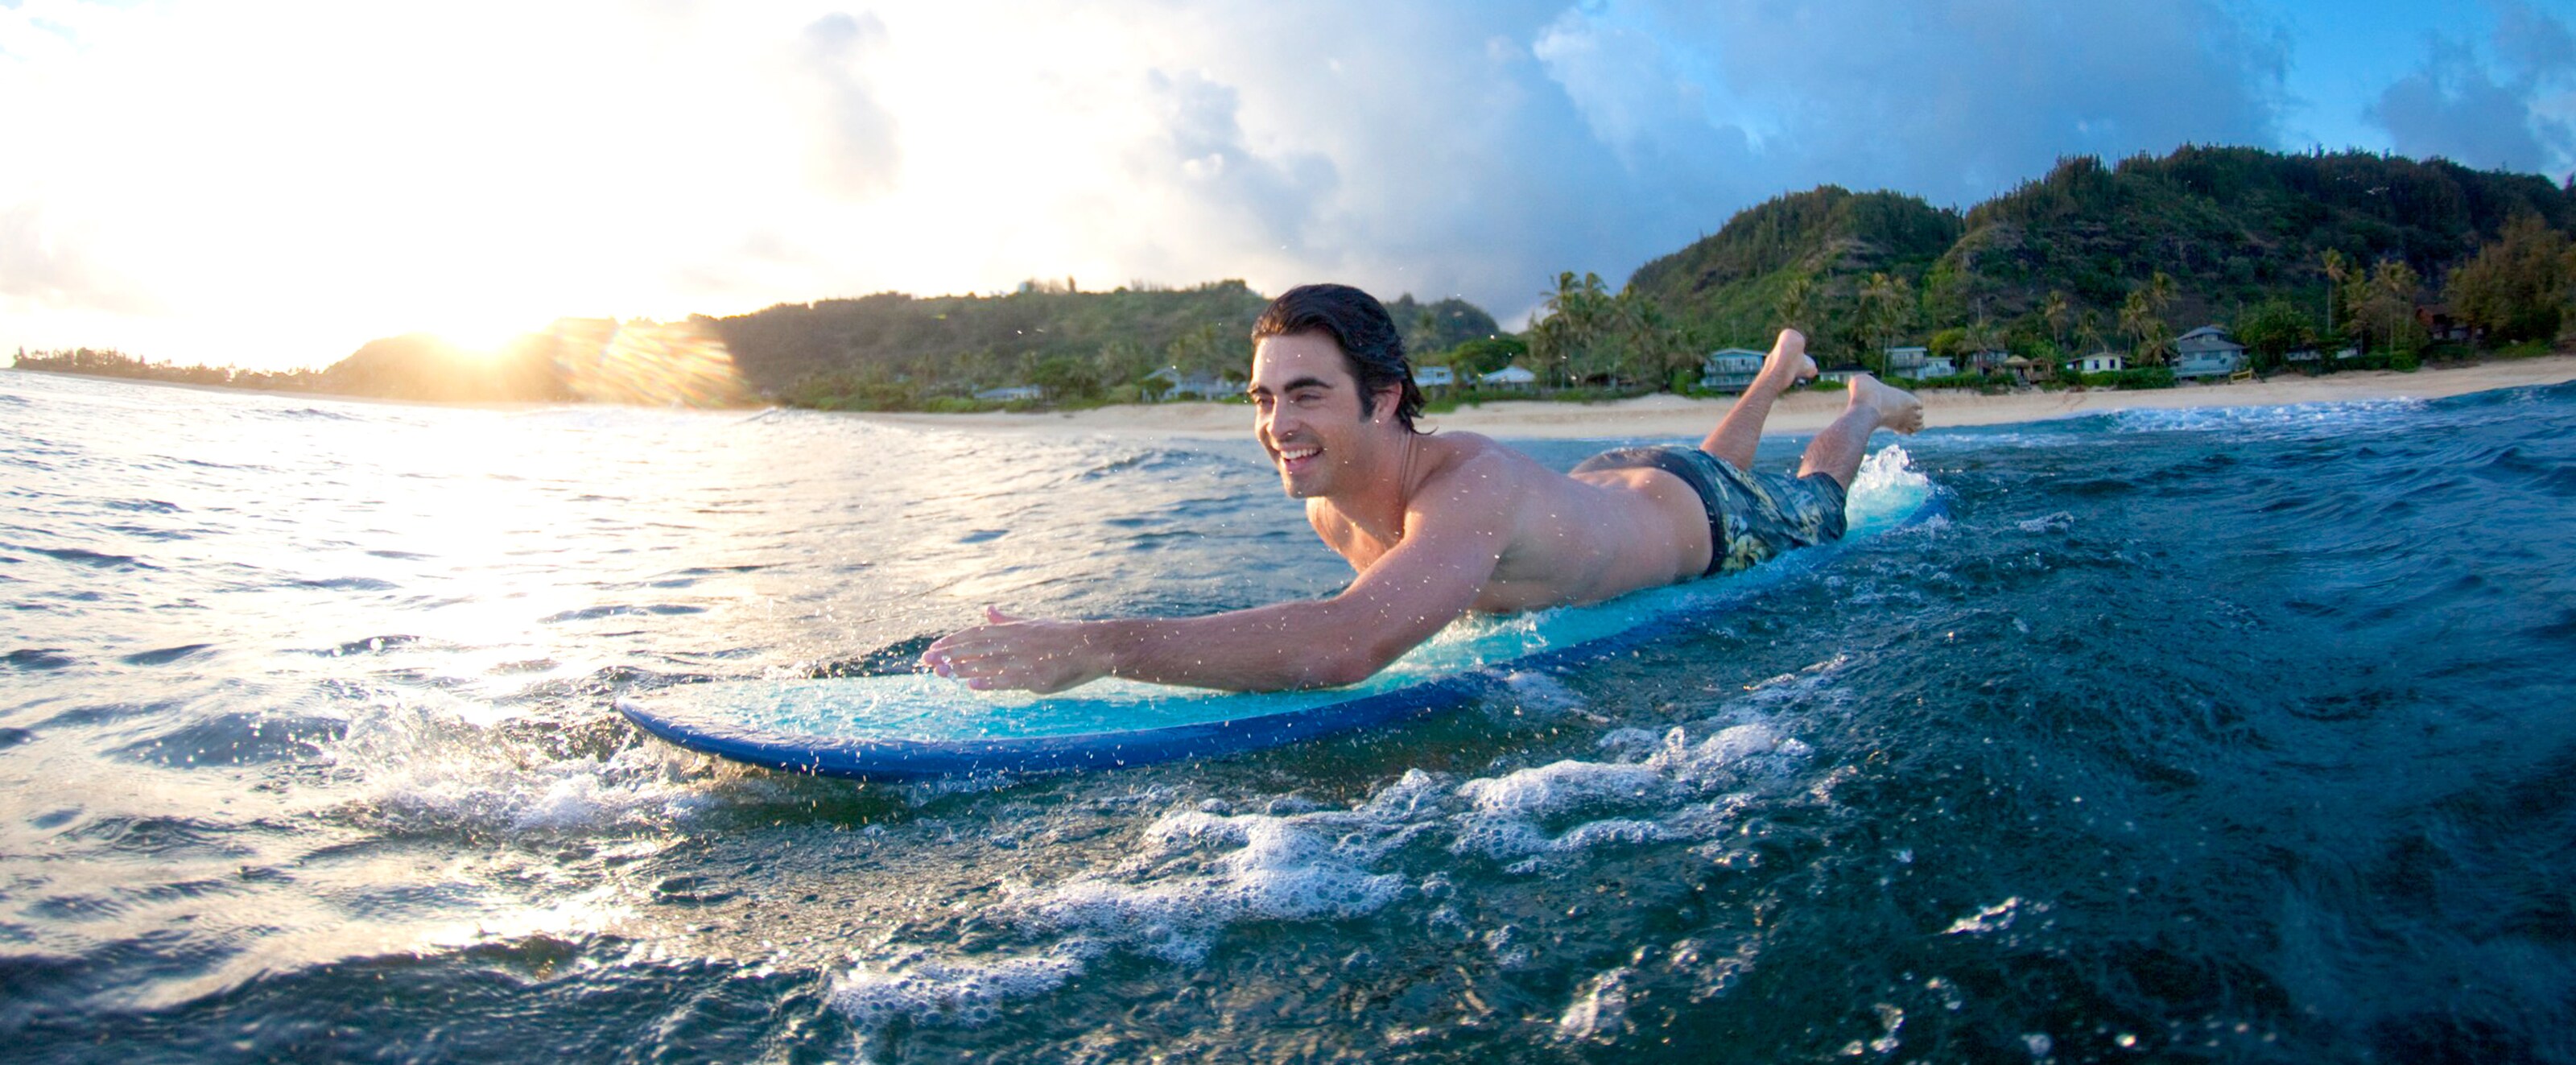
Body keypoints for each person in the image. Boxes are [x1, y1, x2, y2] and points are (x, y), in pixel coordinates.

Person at [919, 283, 1922, 694]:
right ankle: (1772, 374)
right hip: (1610, 491)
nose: (1276, 425)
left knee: (1812, 505)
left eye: (1305, 394)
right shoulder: (1327, 505)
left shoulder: (1470, 487)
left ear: (1384, 396)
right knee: (1701, 460)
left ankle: (1860, 407)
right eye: (1263, 398)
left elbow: (1349, 638)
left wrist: (1099, 644)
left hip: (1706, 519)